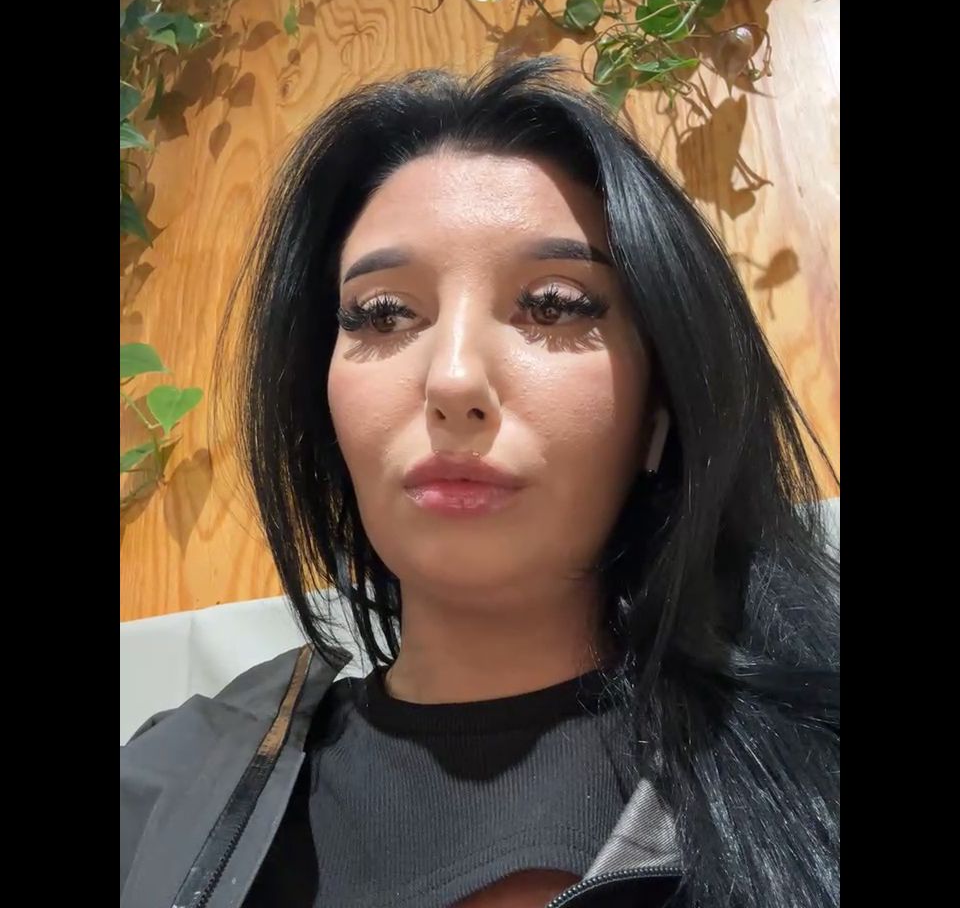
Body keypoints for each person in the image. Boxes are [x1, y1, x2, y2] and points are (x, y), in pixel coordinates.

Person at [120, 56, 839, 908]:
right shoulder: (160, 795)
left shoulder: (816, 773)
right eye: (383, 314)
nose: (454, 378)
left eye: (554, 304)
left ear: (660, 409)